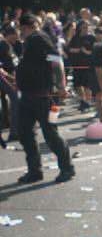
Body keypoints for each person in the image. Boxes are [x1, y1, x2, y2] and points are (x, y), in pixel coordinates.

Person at [15, 14, 74, 183]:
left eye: (22, 29)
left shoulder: (39, 38)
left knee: (51, 134)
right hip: (28, 97)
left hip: (46, 98)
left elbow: (57, 60)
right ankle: (35, 171)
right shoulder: (30, 42)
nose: (21, 33)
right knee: (24, 132)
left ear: (28, 27)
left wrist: (61, 86)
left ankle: (67, 168)